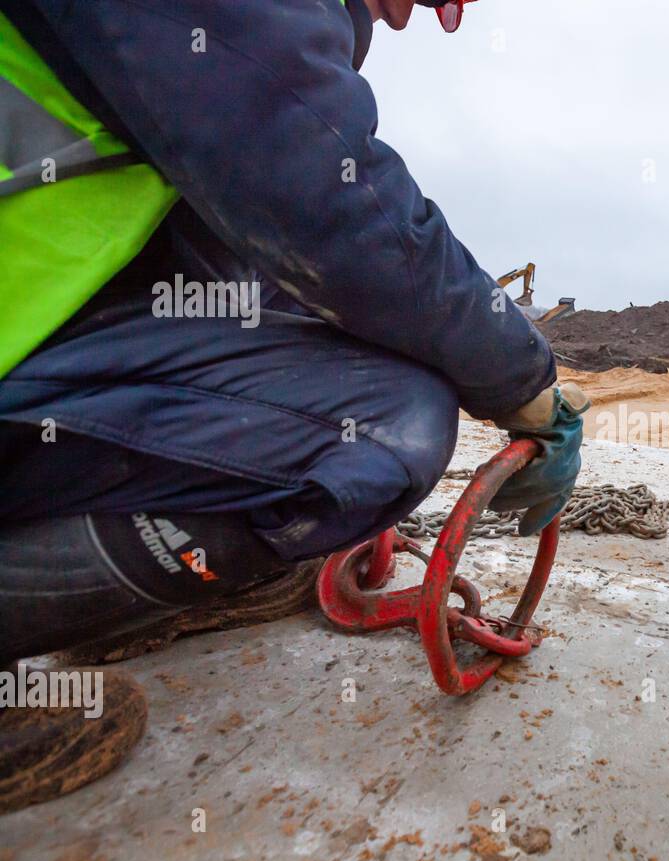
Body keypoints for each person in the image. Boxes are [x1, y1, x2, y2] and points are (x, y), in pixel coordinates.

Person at [0, 0, 586, 812]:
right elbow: (324, 201)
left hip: (39, 345)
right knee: (386, 427)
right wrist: (521, 380)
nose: (451, 14)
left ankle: (155, 585)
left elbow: (266, 240)